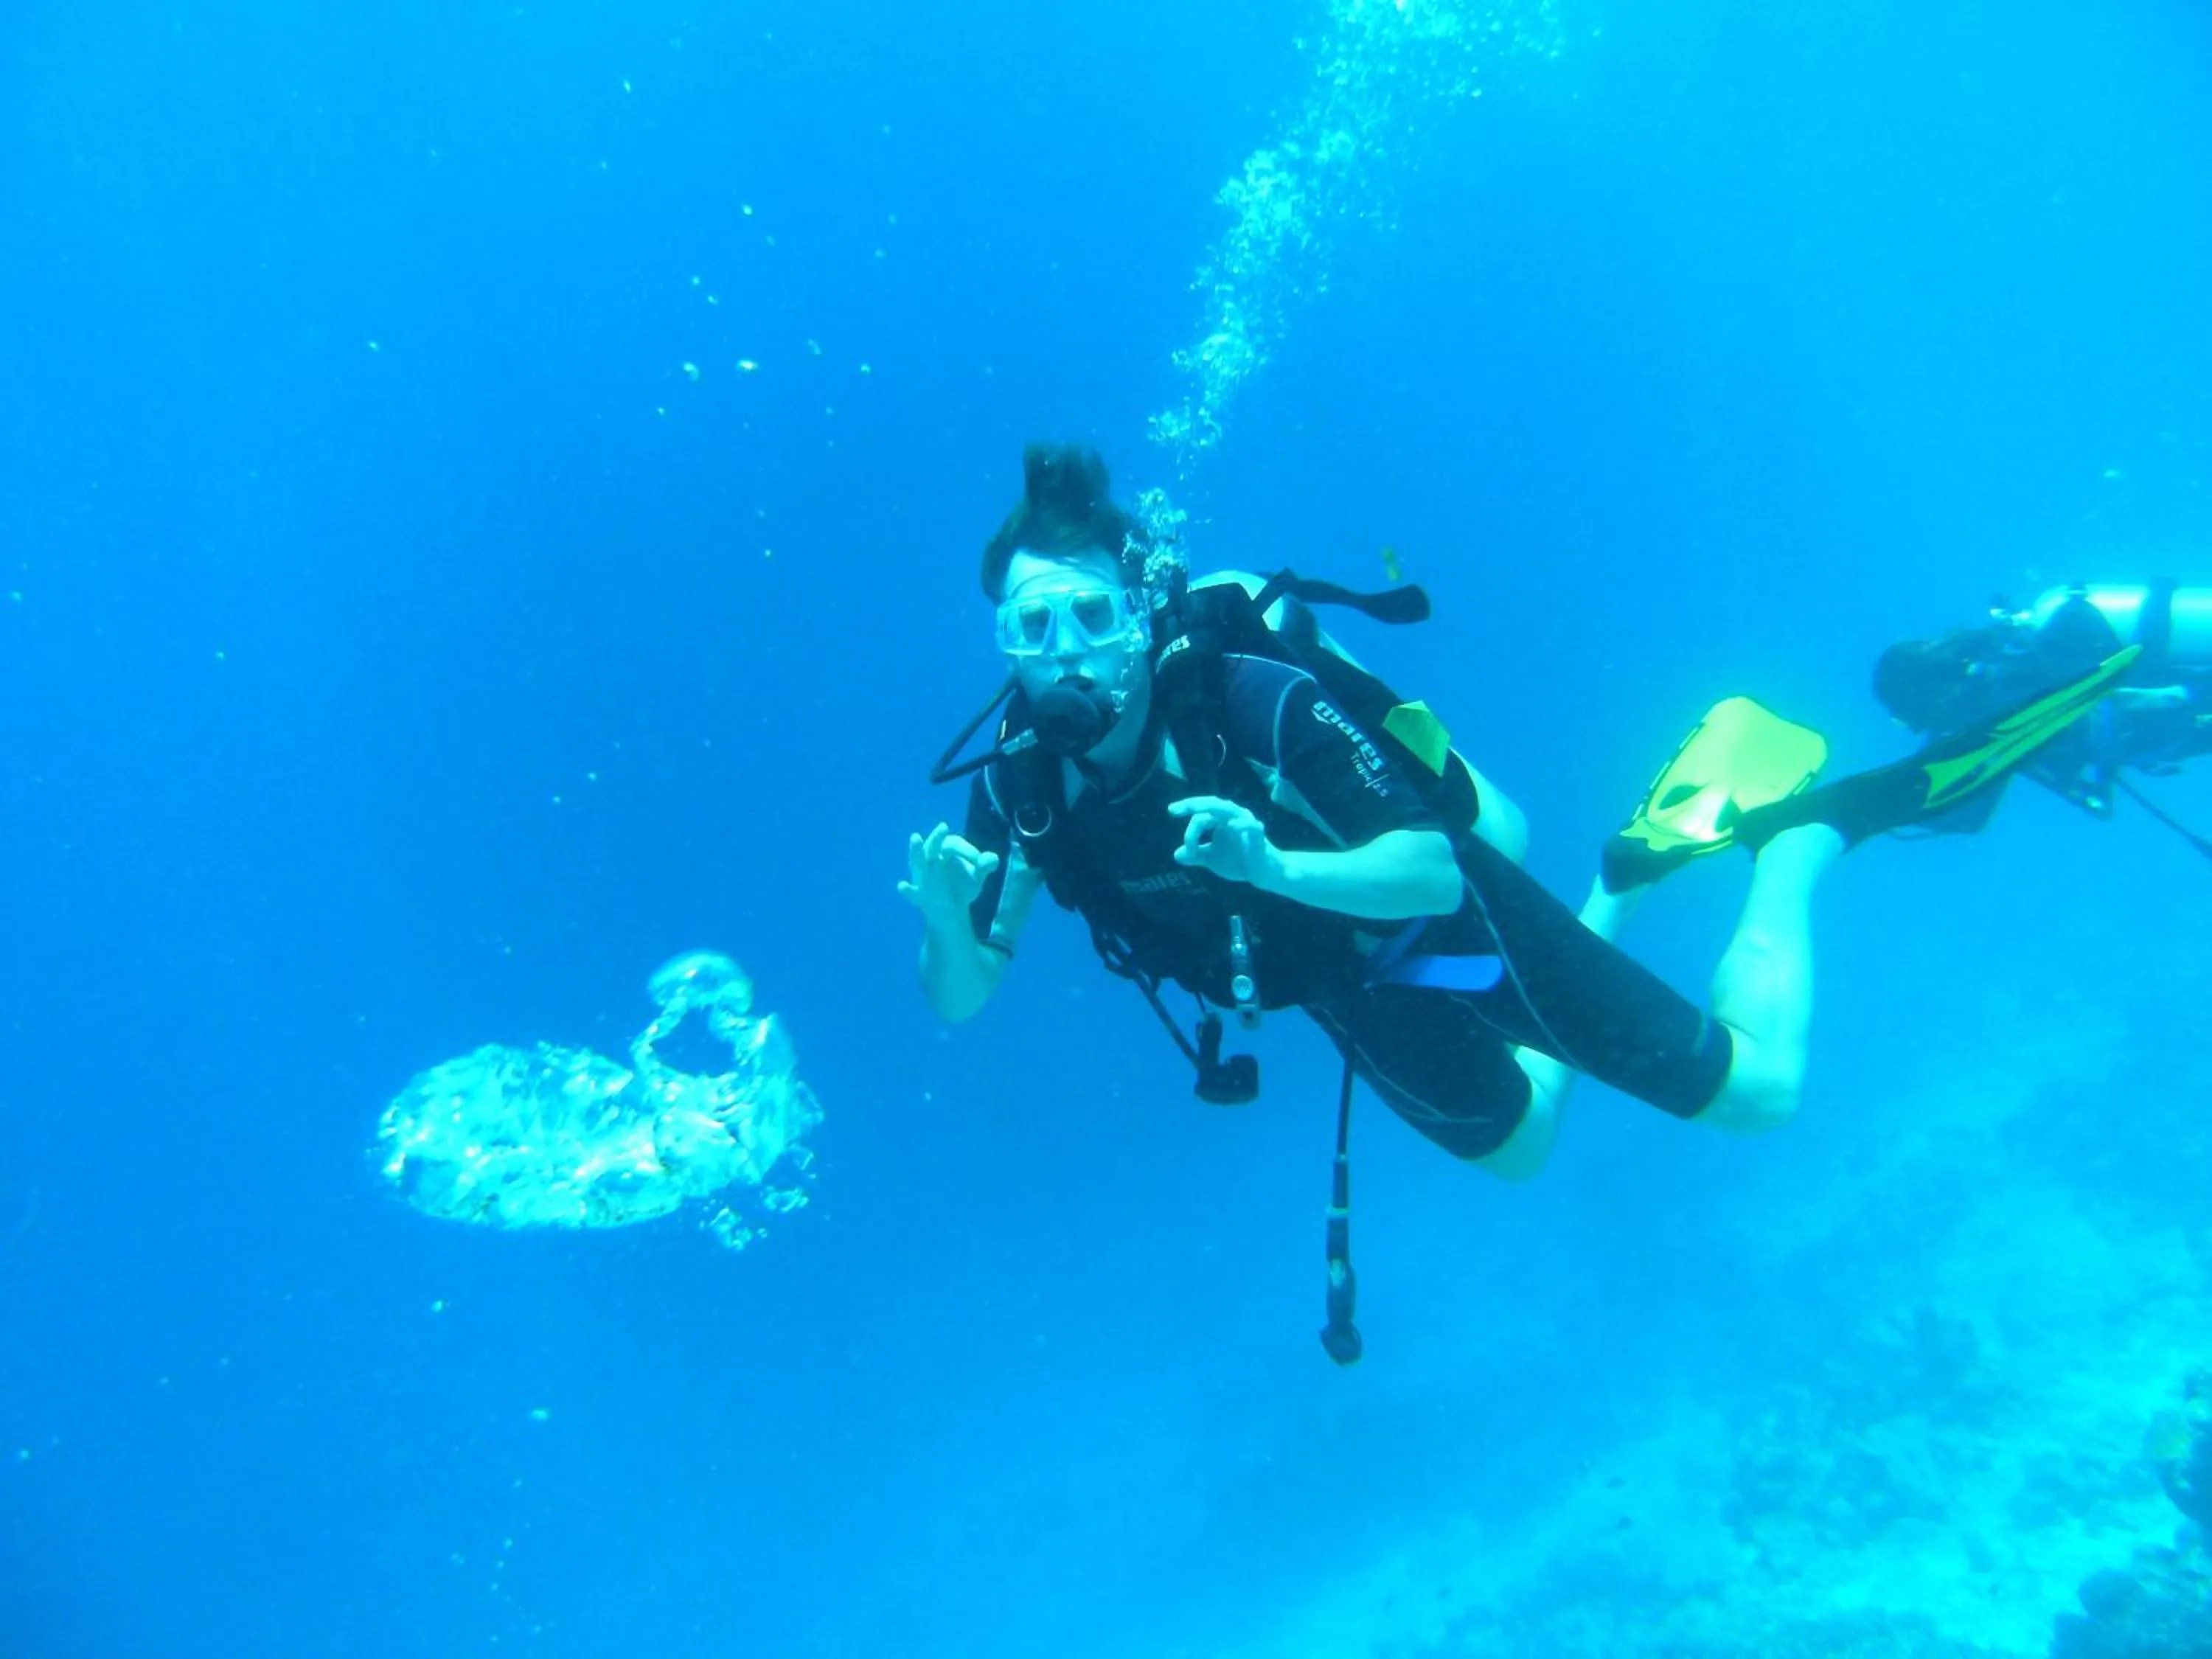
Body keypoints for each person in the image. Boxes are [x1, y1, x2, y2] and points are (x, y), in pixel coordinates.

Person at [902, 446, 2134, 1188]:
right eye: (1028, 627)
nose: (1061, 657)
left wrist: (1273, 861)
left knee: (1760, 1096)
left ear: (1141, 608)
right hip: (1337, 984)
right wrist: (949, 923)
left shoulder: (1246, 701)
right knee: (1527, 1147)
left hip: (1434, 923)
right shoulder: (1018, 784)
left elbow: (1433, 875)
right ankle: (1631, 874)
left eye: (1088, 618)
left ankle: (1799, 846)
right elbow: (961, 998)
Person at [1875, 582, 2212, 842]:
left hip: (2161, 714)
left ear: (1922, 696)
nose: (1923, 727)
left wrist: (1876, 810)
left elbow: (1965, 813)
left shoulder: (1988, 694)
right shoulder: (2003, 659)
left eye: (1911, 718)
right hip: (2162, 708)